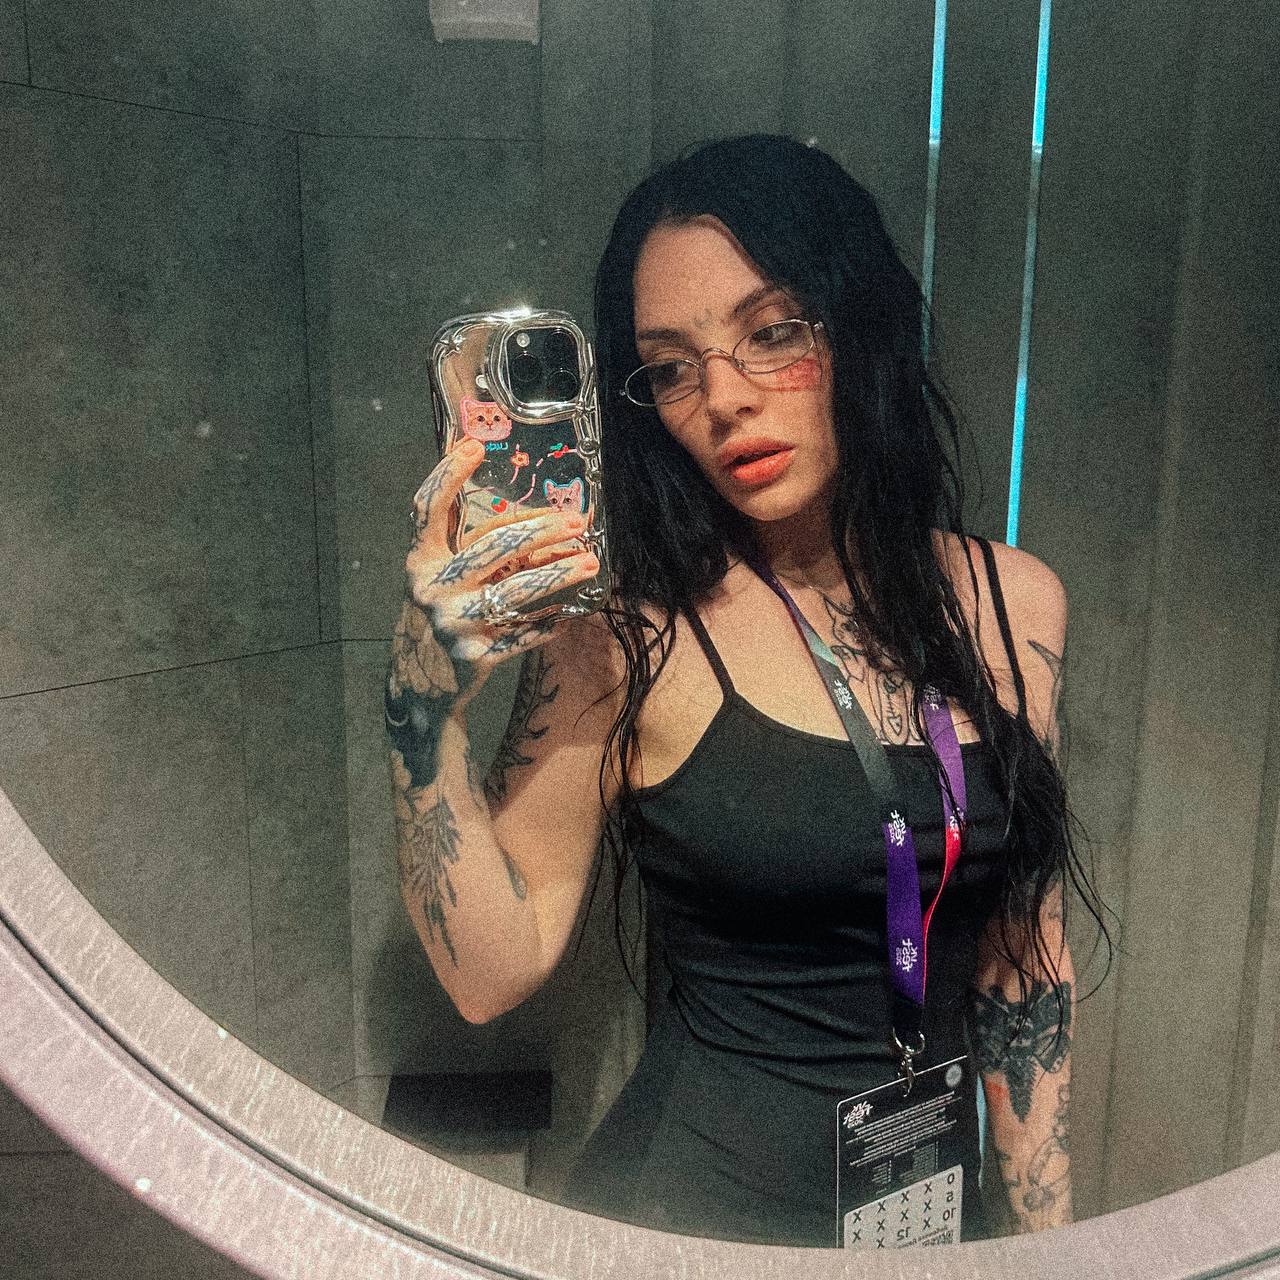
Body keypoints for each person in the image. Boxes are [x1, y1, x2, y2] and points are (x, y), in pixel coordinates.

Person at [385, 134, 1105, 1248]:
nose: (722, 398)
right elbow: (490, 972)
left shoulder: (1017, 603)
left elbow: (1023, 951)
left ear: (859, 324)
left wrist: (1048, 1247)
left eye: (772, 333)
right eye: (672, 366)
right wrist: (419, 704)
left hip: (926, 1216)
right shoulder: (623, 637)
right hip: (686, 1227)